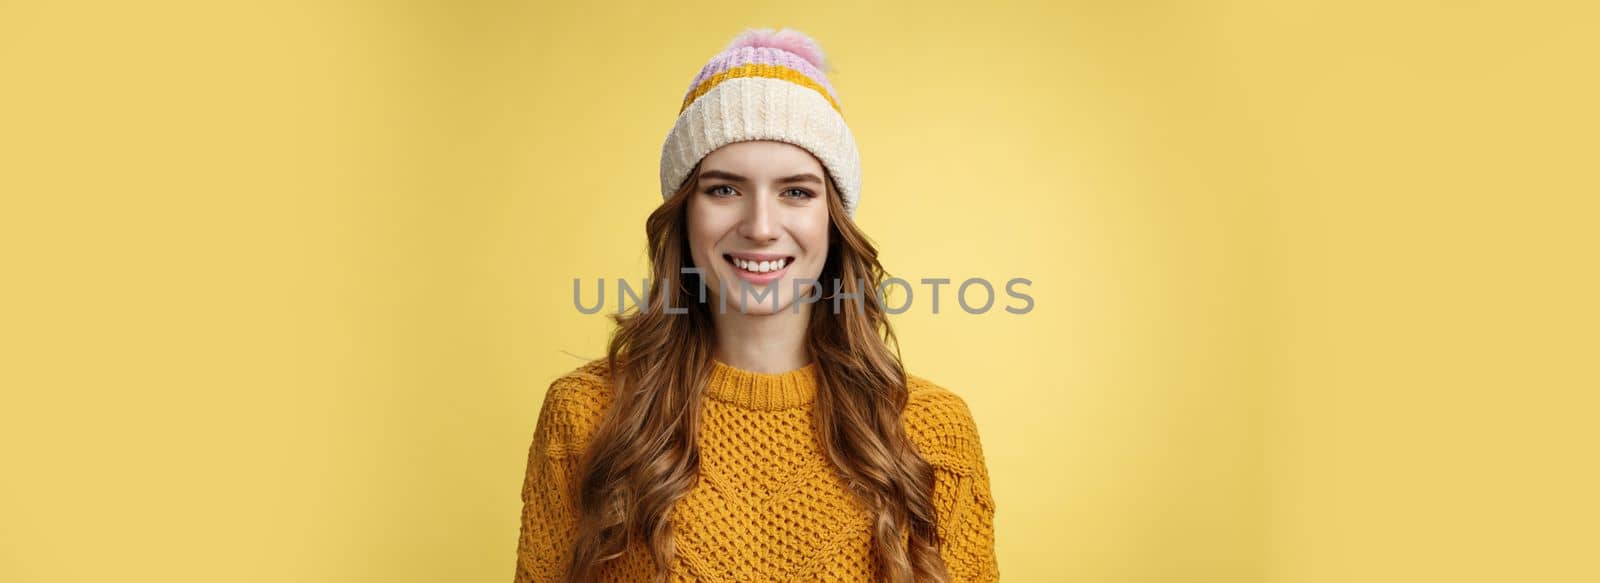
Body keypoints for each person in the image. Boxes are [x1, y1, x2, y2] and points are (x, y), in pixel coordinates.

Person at [514, 27, 999, 583]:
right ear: (684, 214)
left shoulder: (934, 431)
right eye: (724, 189)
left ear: (833, 222)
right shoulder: (584, 416)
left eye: (796, 191)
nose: (761, 227)